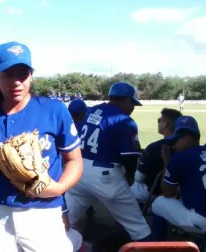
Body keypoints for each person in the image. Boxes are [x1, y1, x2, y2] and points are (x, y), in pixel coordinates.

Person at [0, 41, 83, 252]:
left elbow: (74, 161)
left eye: (23, 74)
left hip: (42, 212)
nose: (16, 82)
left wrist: (59, 188)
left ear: (31, 76)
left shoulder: (53, 110)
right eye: (8, 75)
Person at [65, 82, 152, 242]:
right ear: (126, 100)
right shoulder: (125, 120)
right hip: (105, 175)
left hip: (79, 172)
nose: (132, 107)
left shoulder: (91, 110)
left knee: (65, 222)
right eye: (132, 103)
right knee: (139, 227)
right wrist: (130, 175)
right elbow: (130, 157)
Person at [151, 116, 206, 240]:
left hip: (205, 223)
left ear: (187, 137)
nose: (174, 146)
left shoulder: (179, 158)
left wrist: (167, 163)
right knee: (197, 201)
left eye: (176, 140)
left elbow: (167, 192)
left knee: (158, 203)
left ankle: (156, 245)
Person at [130, 108, 182, 202]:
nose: (157, 123)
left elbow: (138, 177)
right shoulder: (185, 146)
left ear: (165, 123)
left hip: (154, 192)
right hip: (178, 192)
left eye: (159, 120)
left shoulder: (154, 147)